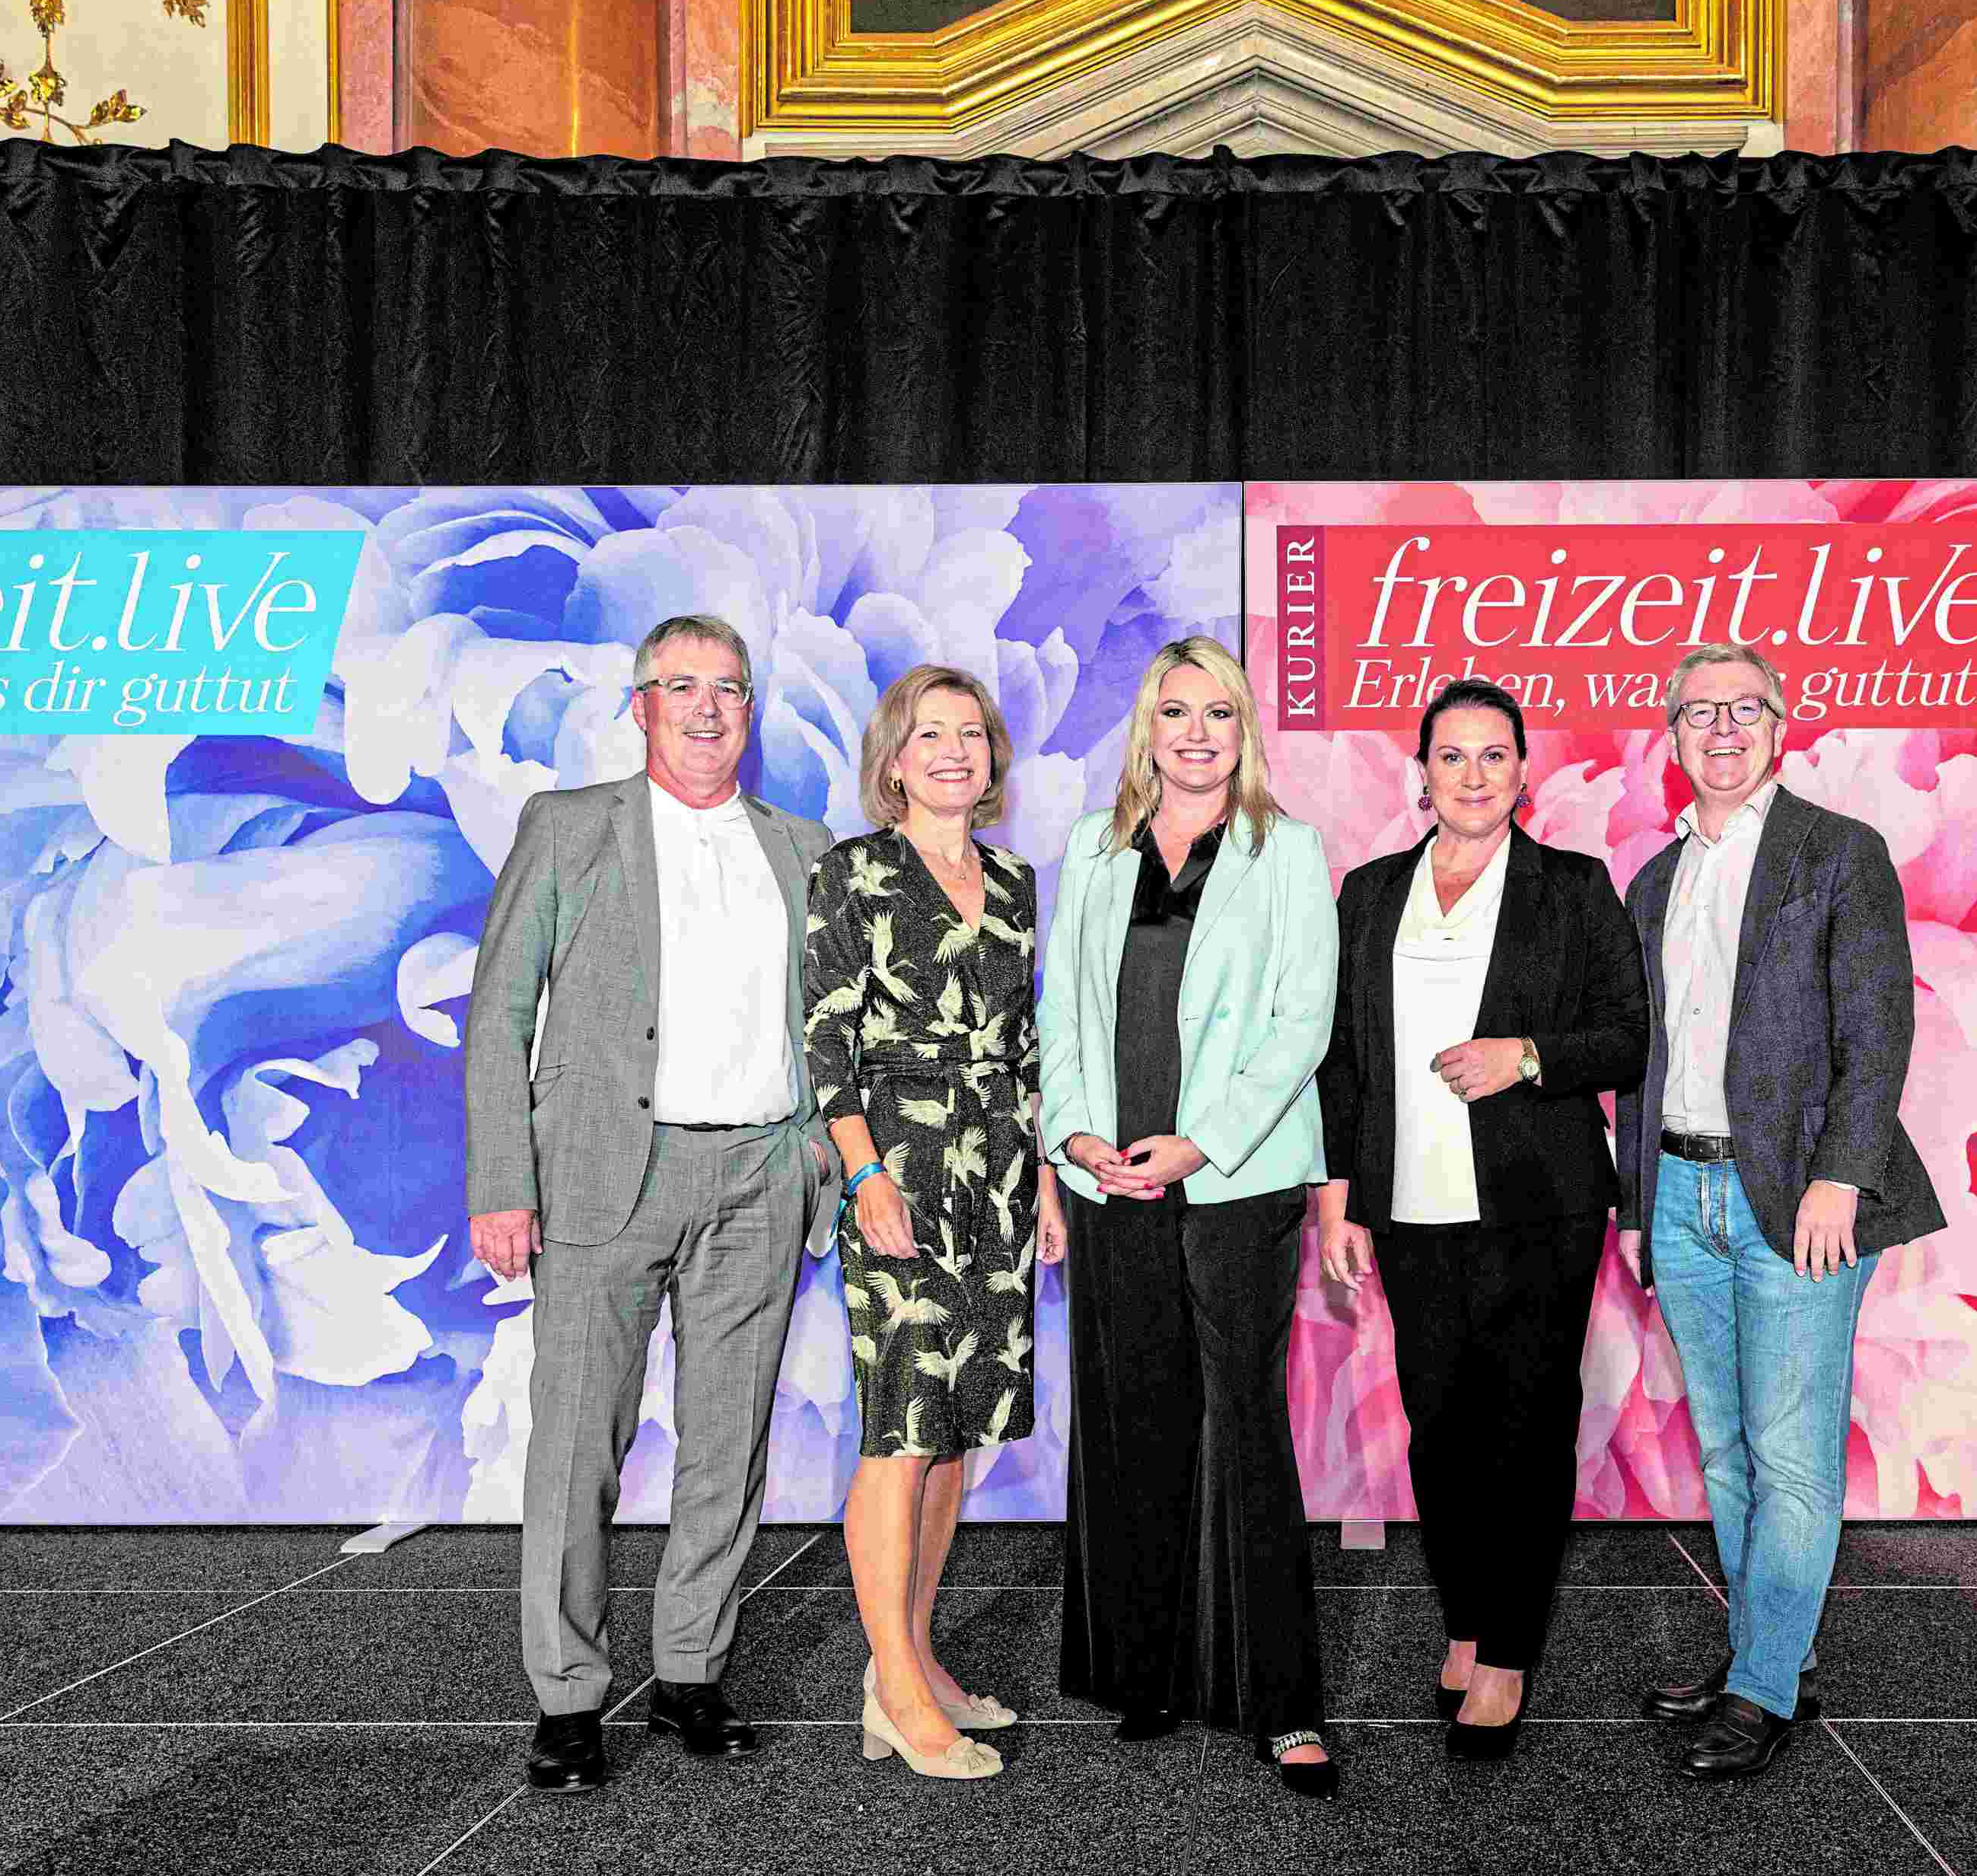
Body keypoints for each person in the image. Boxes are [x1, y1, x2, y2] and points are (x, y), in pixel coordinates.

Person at [463, 613, 839, 1795]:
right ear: (641, 706)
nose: (707, 708)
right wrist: (500, 1181)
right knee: (579, 1446)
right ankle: (569, 1697)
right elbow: (498, 1010)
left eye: (728, 688)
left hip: (762, 1175)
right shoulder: (569, 827)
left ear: (749, 710)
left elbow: (833, 1021)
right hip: (601, 1177)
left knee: (728, 1446)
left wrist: (815, 1161)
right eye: (682, 686)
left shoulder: (805, 846)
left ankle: (691, 1670)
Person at [1617, 641, 1947, 1782]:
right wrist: (1636, 1198)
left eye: (1743, 708)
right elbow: (1644, 1060)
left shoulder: (1839, 852)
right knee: (1725, 1452)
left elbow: (1879, 1029)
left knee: (1793, 1455)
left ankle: (1761, 1691)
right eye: (1698, 711)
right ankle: (1773, 1656)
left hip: (1803, 1199)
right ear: (1670, 735)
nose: (1722, 728)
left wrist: (1841, 1177)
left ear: (1780, 724)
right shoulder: (1655, 882)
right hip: (1679, 1192)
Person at [1310, 679, 1644, 1761]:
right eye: (1451, 756)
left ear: (1524, 773)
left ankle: (1506, 1652)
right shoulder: (1370, 893)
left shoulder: (1574, 887)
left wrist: (1528, 1057)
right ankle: (1464, 1621)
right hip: (1410, 1209)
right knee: (1441, 1425)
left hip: (1541, 1208)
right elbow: (1343, 1058)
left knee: (1527, 1429)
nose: (1473, 774)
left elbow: (1627, 1037)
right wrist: (1340, 1198)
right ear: (1421, 775)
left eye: (1494, 755)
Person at [1036, 635, 1343, 1799]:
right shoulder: (1093, 847)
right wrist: (1075, 1137)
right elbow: (1063, 1014)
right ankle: (1149, 1673)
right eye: (1177, 712)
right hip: (1113, 1178)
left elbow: (1302, 1024)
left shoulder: (1287, 850)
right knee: (1136, 1420)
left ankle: (1283, 1704)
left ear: (1243, 729)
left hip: (1234, 1179)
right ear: (1147, 730)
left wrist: (1201, 1141)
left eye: (1220, 712)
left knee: (1245, 1428)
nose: (1198, 734)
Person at [804, 663, 1066, 1783]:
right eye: (931, 734)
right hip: (899, 1170)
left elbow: (1025, 1044)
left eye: (972, 733)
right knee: (901, 1428)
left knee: (957, 1428)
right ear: (895, 761)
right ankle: (898, 1693)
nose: (955, 750)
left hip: (998, 1170)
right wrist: (864, 1171)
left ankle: (910, 1655)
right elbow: (827, 1039)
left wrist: (1043, 1177)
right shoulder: (854, 871)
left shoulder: (1013, 882)